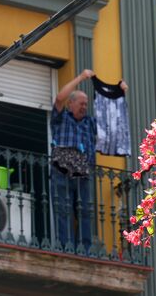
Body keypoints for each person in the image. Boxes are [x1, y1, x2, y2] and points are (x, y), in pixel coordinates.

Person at [50, 69, 96, 252]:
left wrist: (119, 93)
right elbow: (59, 98)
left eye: (86, 104)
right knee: (63, 208)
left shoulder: (89, 123)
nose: (84, 107)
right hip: (62, 165)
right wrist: (81, 78)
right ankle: (65, 245)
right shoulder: (61, 118)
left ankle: (84, 247)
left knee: (84, 210)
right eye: (81, 103)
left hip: (83, 168)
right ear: (71, 104)